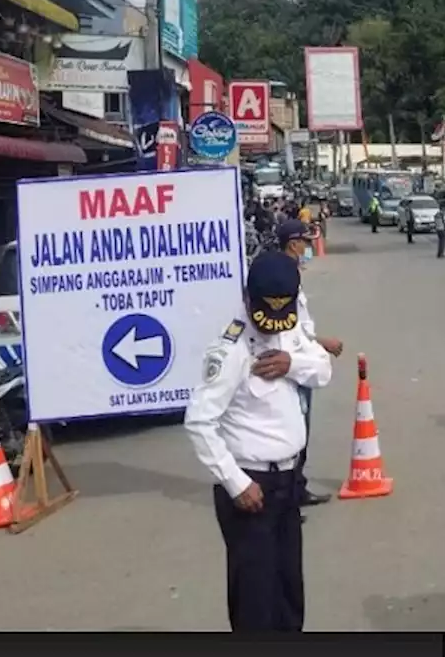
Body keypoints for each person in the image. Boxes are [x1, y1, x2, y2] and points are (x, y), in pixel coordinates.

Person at [184, 251, 336, 631]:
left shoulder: (289, 328)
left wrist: (292, 364)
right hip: (253, 489)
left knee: (288, 594)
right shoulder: (231, 349)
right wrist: (236, 483)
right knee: (255, 602)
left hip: (288, 483)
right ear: (248, 299)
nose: (271, 326)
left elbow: (323, 369)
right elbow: (200, 421)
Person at [277, 220, 345, 514]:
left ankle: (297, 490)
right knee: (294, 434)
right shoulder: (281, 277)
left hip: (301, 359)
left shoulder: (291, 273)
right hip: (292, 363)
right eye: (304, 243)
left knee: (301, 433)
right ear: (293, 245)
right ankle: (287, 500)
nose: (307, 248)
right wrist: (321, 341)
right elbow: (288, 328)